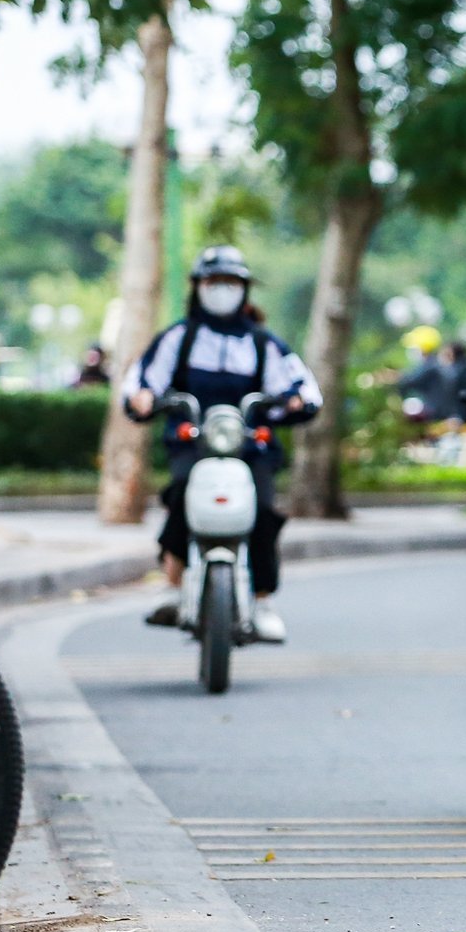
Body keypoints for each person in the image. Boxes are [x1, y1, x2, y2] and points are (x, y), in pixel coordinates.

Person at [125, 246, 321, 642]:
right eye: (214, 282)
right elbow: (142, 382)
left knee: (264, 510)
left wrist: (296, 400)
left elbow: (303, 388)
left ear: (245, 290)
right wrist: (142, 397)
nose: (222, 290)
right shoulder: (178, 339)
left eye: (231, 283)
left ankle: (263, 600)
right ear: (198, 287)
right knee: (180, 494)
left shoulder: (264, 345)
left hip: (251, 447)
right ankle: (175, 586)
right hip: (193, 444)